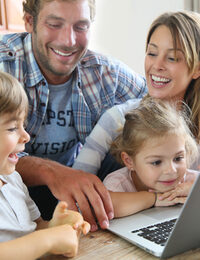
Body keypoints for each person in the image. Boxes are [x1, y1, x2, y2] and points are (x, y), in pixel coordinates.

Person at [0, 0, 147, 231]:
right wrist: (51, 172)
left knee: (132, 136)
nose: (68, 41)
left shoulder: (104, 72)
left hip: (79, 191)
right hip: (11, 200)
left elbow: (163, 99)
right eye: (55, 24)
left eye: (80, 27)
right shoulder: (4, 67)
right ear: (29, 21)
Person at [73, 10, 200, 180]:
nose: (157, 65)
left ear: (199, 67)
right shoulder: (120, 117)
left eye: (172, 58)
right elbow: (77, 181)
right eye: (152, 53)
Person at [0, 71, 90, 259]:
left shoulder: (13, 180)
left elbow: (34, 228)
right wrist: (48, 240)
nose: (26, 136)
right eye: (12, 128)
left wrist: (56, 226)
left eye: (23, 125)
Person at [103, 97, 198, 217]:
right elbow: (107, 208)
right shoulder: (118, 184)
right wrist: (154, 198)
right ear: (129, 161)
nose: (171, 170)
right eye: (156, 162)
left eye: (178, 158)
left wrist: (198, 190)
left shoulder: (191, 181)